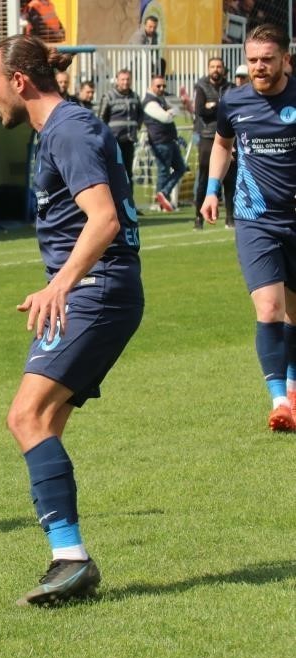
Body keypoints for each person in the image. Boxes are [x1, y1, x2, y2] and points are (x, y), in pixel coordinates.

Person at [0, 34, 143, 606]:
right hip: (96, 292)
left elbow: (103, 220)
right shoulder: (60, 129)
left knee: (25, 416)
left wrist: (60, 284)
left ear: (19, 81)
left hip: (97, 292)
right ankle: (67, 561)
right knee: (43, 422)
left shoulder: (68, 130)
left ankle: (71, 559)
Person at [200, 24, 296, 432]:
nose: (259, 67)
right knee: (269, 307)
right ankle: (279, 401)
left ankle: (292, 389)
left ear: (285, 60)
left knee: (293, 314)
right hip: (255, 218)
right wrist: (211, 190)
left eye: (267, 60)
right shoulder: (233, 101)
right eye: (253, 60)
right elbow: (223, 143)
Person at [193, 57, 235, 231]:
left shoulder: (231, 87)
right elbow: (200, 111)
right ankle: (198, 218)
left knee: (230, 178)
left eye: (218, 66)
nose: (215, 69)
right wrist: (220, 106)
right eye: (212, 66)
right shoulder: (201, 86)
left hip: (228, 136)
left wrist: (213, 106)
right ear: (208, 68)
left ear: (223, 69)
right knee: (204, 178)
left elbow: (233, 111)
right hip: (207, 136)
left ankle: (230, 218)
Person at [142, 74, 186, 213]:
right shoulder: (149, 102)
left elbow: (176, 109)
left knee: (181, 168)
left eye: (164, 86)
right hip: (159, 141)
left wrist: (172, 110)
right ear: (151, 86)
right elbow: (166, 118)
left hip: (169, 140)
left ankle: (163, 194)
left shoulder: (160, 99)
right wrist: (173, 110)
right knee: (163, 172)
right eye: (158, 86)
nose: (162, 88)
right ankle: (160, 203)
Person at [98, 69, 143, 184]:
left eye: (128, 79)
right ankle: (115, 196)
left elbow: (141, 114)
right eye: (122, 79)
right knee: (115, 172)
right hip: (114, 141)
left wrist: (136, 127)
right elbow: (101, 119)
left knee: (128, 173)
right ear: (117, 80)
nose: (125, 82)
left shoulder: (135, 96)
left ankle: (129, 196)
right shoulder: (109, 96)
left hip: (129, 140)